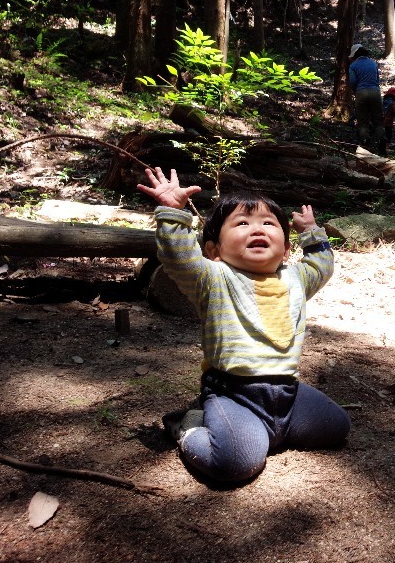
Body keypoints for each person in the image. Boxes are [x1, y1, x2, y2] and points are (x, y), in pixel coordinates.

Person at [136, 167, 351, 484]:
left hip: (287, 394)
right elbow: (178, 258)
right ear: (215, 251)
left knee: (337, 426)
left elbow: (322, 265)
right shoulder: (213, 279)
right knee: (235, 463)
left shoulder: (295, 279)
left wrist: (311, 232)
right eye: (242, 223)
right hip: (234, 395)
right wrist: (172, 211)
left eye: (268, 223)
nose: (257, 229)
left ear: (286, 250)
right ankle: (189, 425)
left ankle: (268, 432)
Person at [348, 43, 385, 150]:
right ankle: (382, 142)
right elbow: (377, 80)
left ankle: (365, 143)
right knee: (378, 120)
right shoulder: (373, 63)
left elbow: (352, 82)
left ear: (354, 55)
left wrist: (356, 92)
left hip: (361, 92)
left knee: (362, 121)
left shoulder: (353, 66)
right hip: (375, 92)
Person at [380, 86, 395, 155]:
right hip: (388, 123)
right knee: (388, 136)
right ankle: (386, 149)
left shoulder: (383, 101)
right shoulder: (392, 103)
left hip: (381, 122)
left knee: (382, 136)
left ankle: (382, 149)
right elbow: (394, 111)